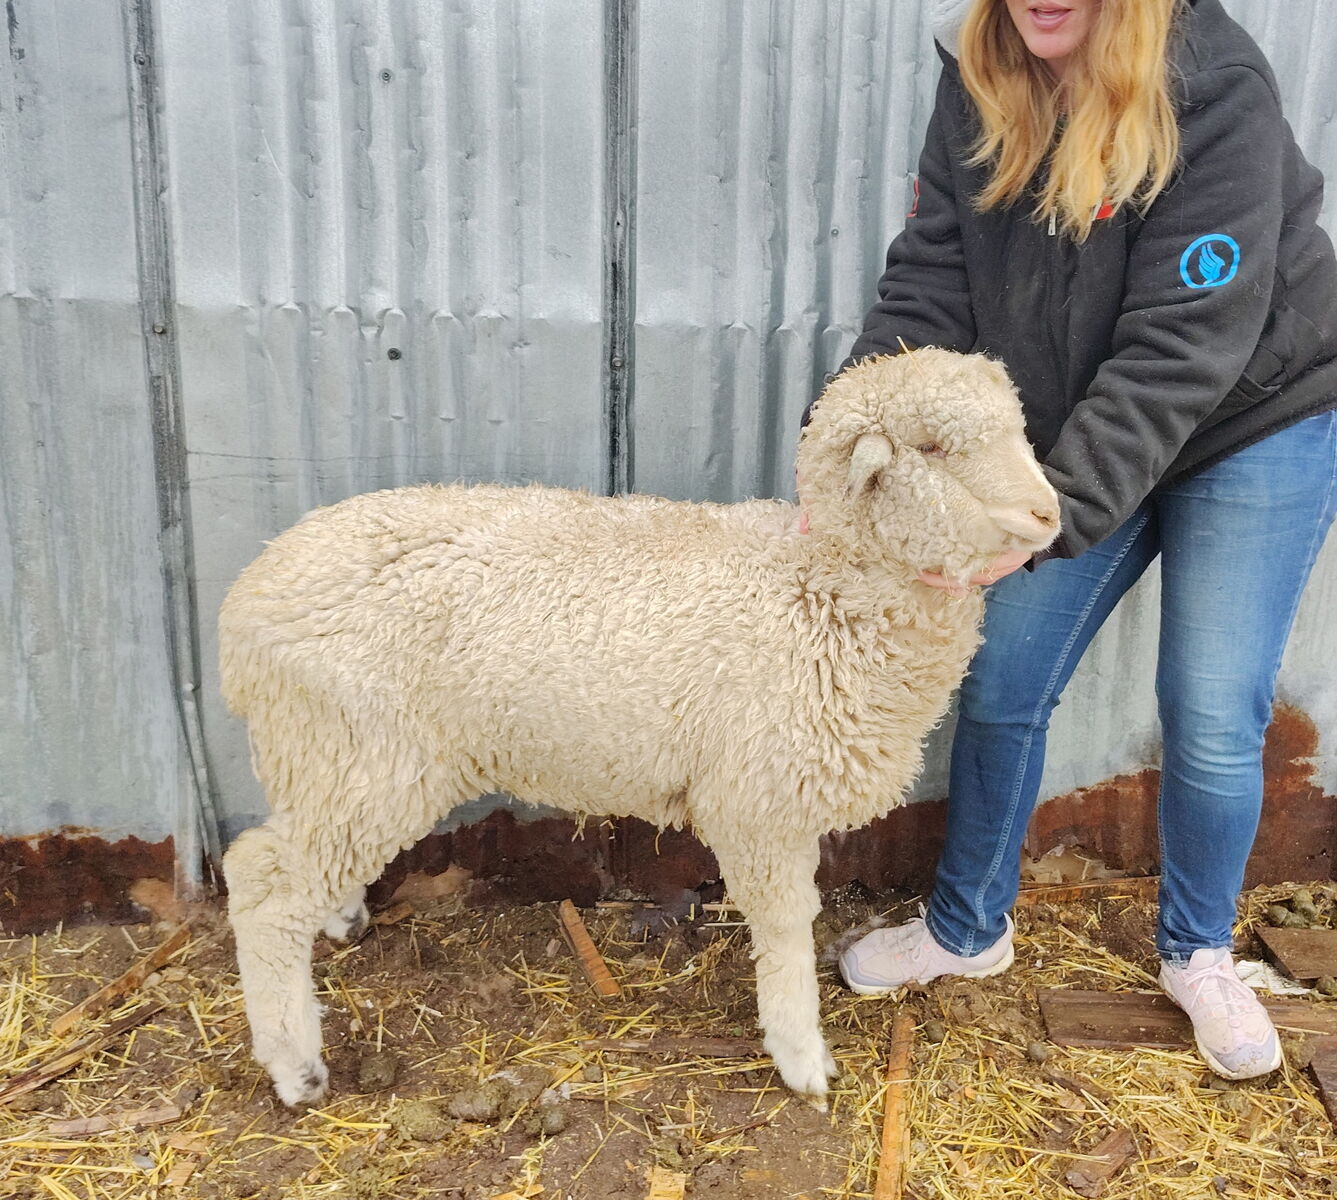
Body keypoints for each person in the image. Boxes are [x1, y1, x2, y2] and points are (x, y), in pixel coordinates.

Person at [828, 0, 1337, 1081]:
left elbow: (1179, 350)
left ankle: (1197, 952)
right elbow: (930, 279)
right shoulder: (981, 70)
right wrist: (843, 441)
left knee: (1210, 705)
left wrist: (1046, 515)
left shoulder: (1214, 86)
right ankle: (965, 928)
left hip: (1249, 419)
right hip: (1082, 413)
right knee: (1002, 676)